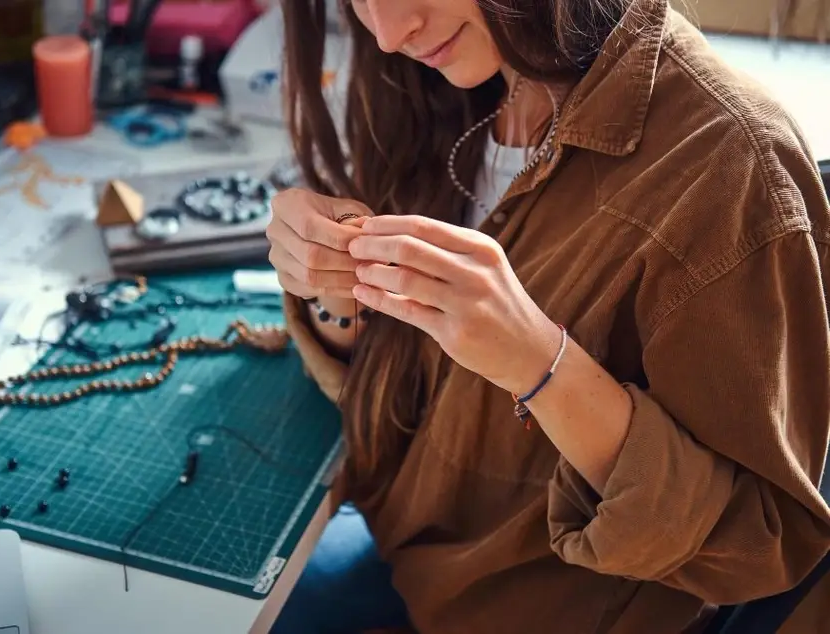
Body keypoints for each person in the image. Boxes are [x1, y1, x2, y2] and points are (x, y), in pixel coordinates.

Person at [264, 0, 830, 631]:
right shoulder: (451, 87)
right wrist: (335, 294)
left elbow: (762, 545)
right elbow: (412, 392)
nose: (390, 34)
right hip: (405, 557)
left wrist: (542, 365)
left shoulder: (732, 164)